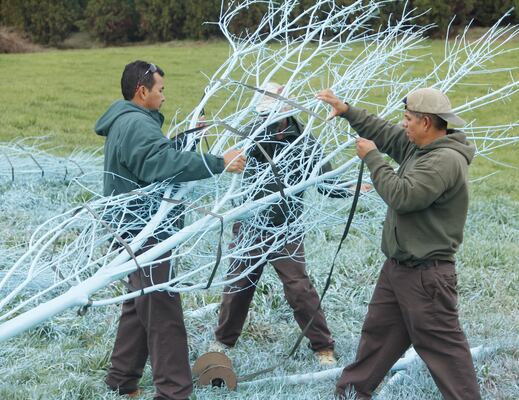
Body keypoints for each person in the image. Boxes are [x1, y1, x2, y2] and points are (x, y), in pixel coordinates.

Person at [95, 60, 246, 400]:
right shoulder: (135, 124)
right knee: (163, 311)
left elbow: (152, 157)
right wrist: (218, 163)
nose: (164, 97)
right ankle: (174, 392)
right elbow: (159, 164)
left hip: (130, 230)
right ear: (142, 90)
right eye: (160, 90)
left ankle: (122, 381)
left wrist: (188, 139)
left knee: (140, 304)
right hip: (141, 233)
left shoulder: (130, 120)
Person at [317, 87, 481, 399]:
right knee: (378, 337)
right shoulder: (419, 147)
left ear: (427, 123)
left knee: (445, 351)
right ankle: (350, 393)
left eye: (408, 119)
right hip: (398, 269)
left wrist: (373, 159)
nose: (403, 124)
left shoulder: (445, 160)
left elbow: (403, 196)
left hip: (426, 275)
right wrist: (347, 110)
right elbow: (386, 134)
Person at [211, 82, 368, 365]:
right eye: (263, 115)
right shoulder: (249, 135)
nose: (266, 120)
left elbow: (325, 183)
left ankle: (323, 346)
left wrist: (353, 187)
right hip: (251, 224)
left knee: (299, 288)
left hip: (287, 227)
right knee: (238, 285)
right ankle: (223, 341)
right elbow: (229, 165)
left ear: (286, 112)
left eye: (271, 115)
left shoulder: (305, 141)